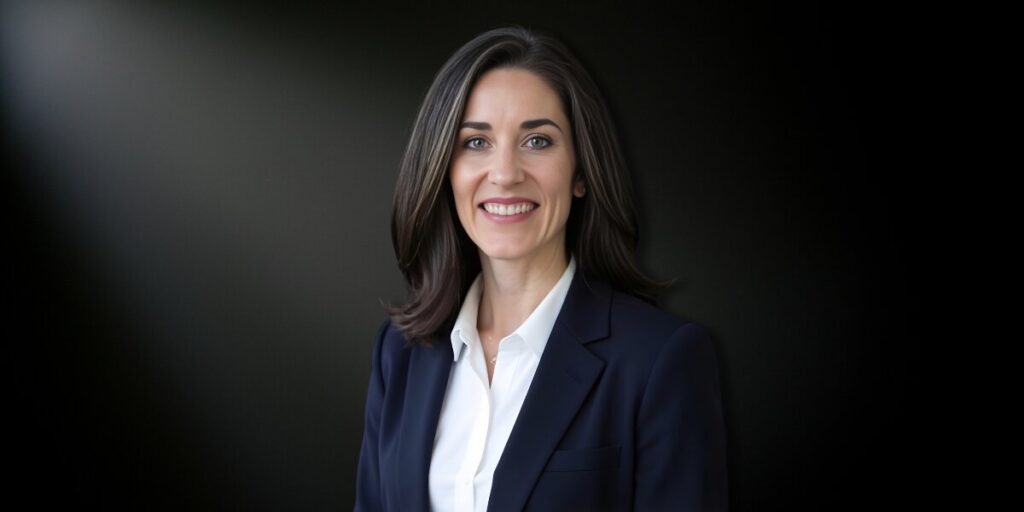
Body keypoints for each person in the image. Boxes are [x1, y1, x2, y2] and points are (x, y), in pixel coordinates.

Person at [355, 25, 728, 511]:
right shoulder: (400, 353)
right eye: (475, 143)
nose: (505, 173)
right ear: (445, 171)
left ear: (580, 172)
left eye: (537, 141)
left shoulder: (660, 362)